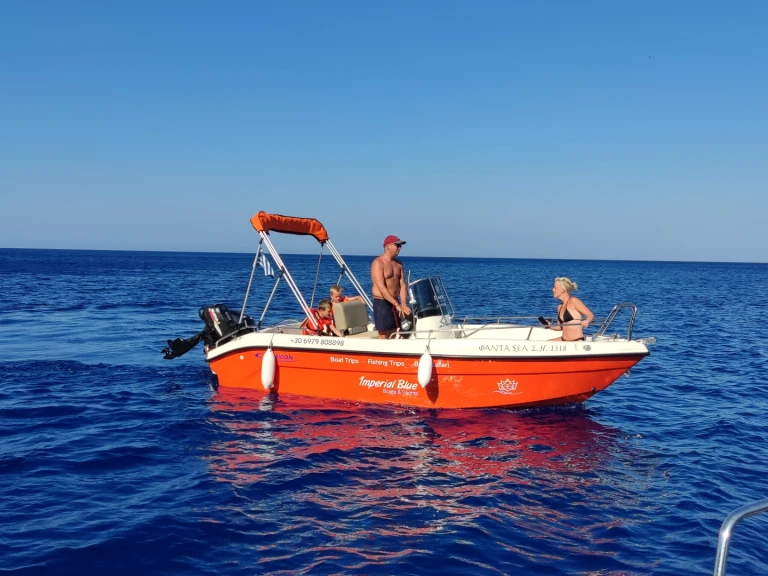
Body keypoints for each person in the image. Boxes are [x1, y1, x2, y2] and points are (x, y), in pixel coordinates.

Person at [371, 235, 411, 339]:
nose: (399, 248)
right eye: (397, 245)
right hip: (382, 302)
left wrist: (404, 304)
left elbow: (402, 285)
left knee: (395, 330)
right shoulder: (378, 262)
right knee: (383, 334)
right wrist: (396, 304)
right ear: (388, 246)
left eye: (400, 246)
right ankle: (381, 353)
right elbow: (381, 287)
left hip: (395, 302)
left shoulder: (399, 264)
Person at [549, 277, 594, 342]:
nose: (553, 289)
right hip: (563, 340)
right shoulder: (559, 307)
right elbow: (561, 327)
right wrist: (550, 326)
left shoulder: (573, 301)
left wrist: (586, 321)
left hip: (575, 341)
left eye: (555, 288)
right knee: (541, 345)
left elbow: (590, 315)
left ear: (562, 289)